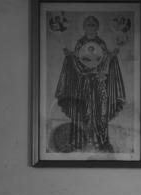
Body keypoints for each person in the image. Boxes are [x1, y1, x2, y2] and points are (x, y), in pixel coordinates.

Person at [54, 14, 126, 152]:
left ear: (98, 27)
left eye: (93, 25)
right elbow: (77, 62)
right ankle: (79, 141)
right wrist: (70, 56)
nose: (91, 27)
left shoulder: (101, 43)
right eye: (88, 24)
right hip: (83, 86)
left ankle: (101, 141)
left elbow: (105, 61)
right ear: (84, 27)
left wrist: (112, 56)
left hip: (99, 86)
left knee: (99, 114)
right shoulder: (81, 43)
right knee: (82, 112)